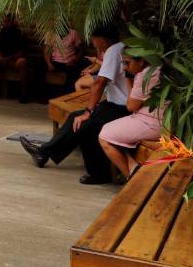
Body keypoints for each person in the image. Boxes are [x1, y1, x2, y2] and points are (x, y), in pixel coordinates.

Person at [19, 23, 129, 184]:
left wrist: (88, 112)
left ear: (103, 40)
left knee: (84, 123)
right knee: (76, 119)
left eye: (94, 40)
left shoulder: (113, 51)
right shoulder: (120, 48)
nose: (93, 44)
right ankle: (44, 153)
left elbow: (100, 83)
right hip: (116, 105)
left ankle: (97, 173)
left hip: (120, 108)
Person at [99, 53, 164, 179]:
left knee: (104, 136)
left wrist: (128, 79)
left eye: (127, 63)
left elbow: (130, 106)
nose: (124, 68)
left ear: (141, 61)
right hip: (155, 120)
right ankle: (133, 166)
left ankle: (131, 178)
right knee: (114, 134)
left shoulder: (145, 75)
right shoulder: (158, 69)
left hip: (152, 123)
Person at [0, 15, 33, 102]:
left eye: (8, 21)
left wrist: (9, 58)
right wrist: (0, 57)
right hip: (2, 59)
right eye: (4, 21)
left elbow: (23, 51)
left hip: (14, 59)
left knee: (23, 62)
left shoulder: (20, 33)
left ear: (13, 22)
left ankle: (24, 94)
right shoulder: (0, 33)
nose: (5, 23)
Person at [44, 25, 86, 93]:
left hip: (68, 63)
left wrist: (75, 60)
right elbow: (47, 52)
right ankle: (43, 95)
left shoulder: (73, 33)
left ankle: (66, 95)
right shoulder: (50, 34)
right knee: (38, 68)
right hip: (55, 62)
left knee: (75, 71)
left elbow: (81, 50)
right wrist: (49, 64)